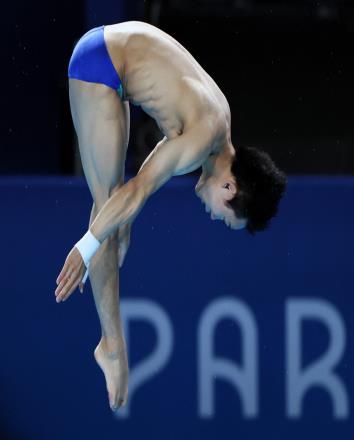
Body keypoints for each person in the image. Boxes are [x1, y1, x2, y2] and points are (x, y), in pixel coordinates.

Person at [54, 21, 286, 412]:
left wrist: (124, 219)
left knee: (115, 217)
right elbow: (138, 189)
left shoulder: (219, 124)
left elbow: (159, 157)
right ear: (230, 188)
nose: (213, 217)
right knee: (107, 216)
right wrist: (85, 246)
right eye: (225, 218)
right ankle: (112, 346)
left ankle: (111, 340)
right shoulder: (200, 145)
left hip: (111, 61)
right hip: (99, 67)